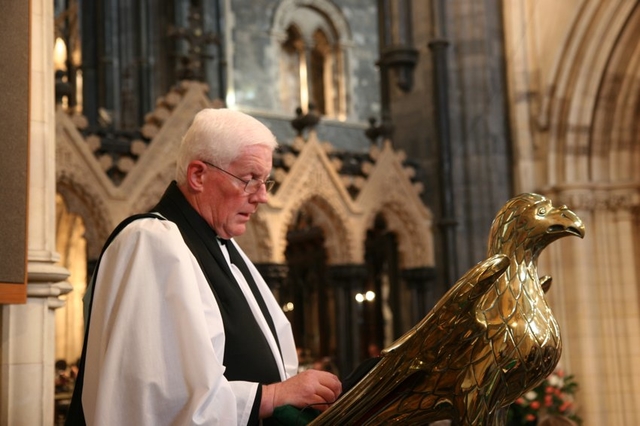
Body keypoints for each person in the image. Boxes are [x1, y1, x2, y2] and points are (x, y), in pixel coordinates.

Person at [66, 108, 342, 425]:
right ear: (199, 175)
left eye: (266, 181)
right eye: (250, 179)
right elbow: (151, 399)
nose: (262, 196)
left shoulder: (222, 246)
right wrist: (275, 396)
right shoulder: (150, 242)